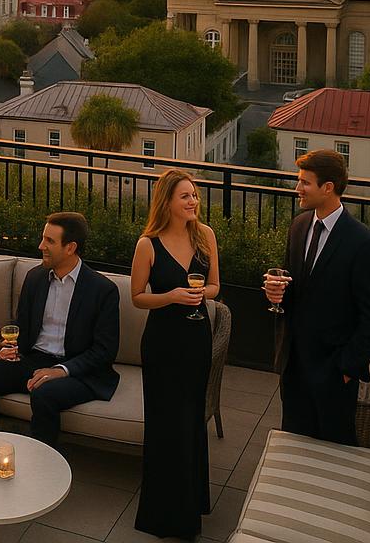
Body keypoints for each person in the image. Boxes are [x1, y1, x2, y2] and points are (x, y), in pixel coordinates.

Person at [263, 148, 370, 445]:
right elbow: (297, 288)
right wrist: (276, 293)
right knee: (293, 444)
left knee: (333, 447)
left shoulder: (365, 244)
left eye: (305, 182)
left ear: (328, 188)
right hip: (293, 365)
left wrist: (346, 369)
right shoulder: (299, 226)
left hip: (332, 373)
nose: (298, 189)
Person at [0, 211, 119, 448]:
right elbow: (21, 324)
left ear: (70, 247)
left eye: (50, 241)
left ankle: (41, 466)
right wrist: (7, 346)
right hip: (35, 359)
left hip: (79, 370)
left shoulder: (103, 290)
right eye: (43, 238)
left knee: (45, 392)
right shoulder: (35, 277)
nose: (41, 246)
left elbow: (104, 351)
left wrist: (60, 370)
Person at [130, 169, 219, 540]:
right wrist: (171, 297)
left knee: (190, 422)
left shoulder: (206, 236)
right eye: (185, 196)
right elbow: (137, 297)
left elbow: (215, 286)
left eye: (195, 195)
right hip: (163, 344)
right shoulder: (147, 244)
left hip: (196, 339)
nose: (193, 201)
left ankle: (192, 502)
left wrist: (200, 295)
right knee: (165, 425)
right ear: (167, 201)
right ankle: (163, 513)